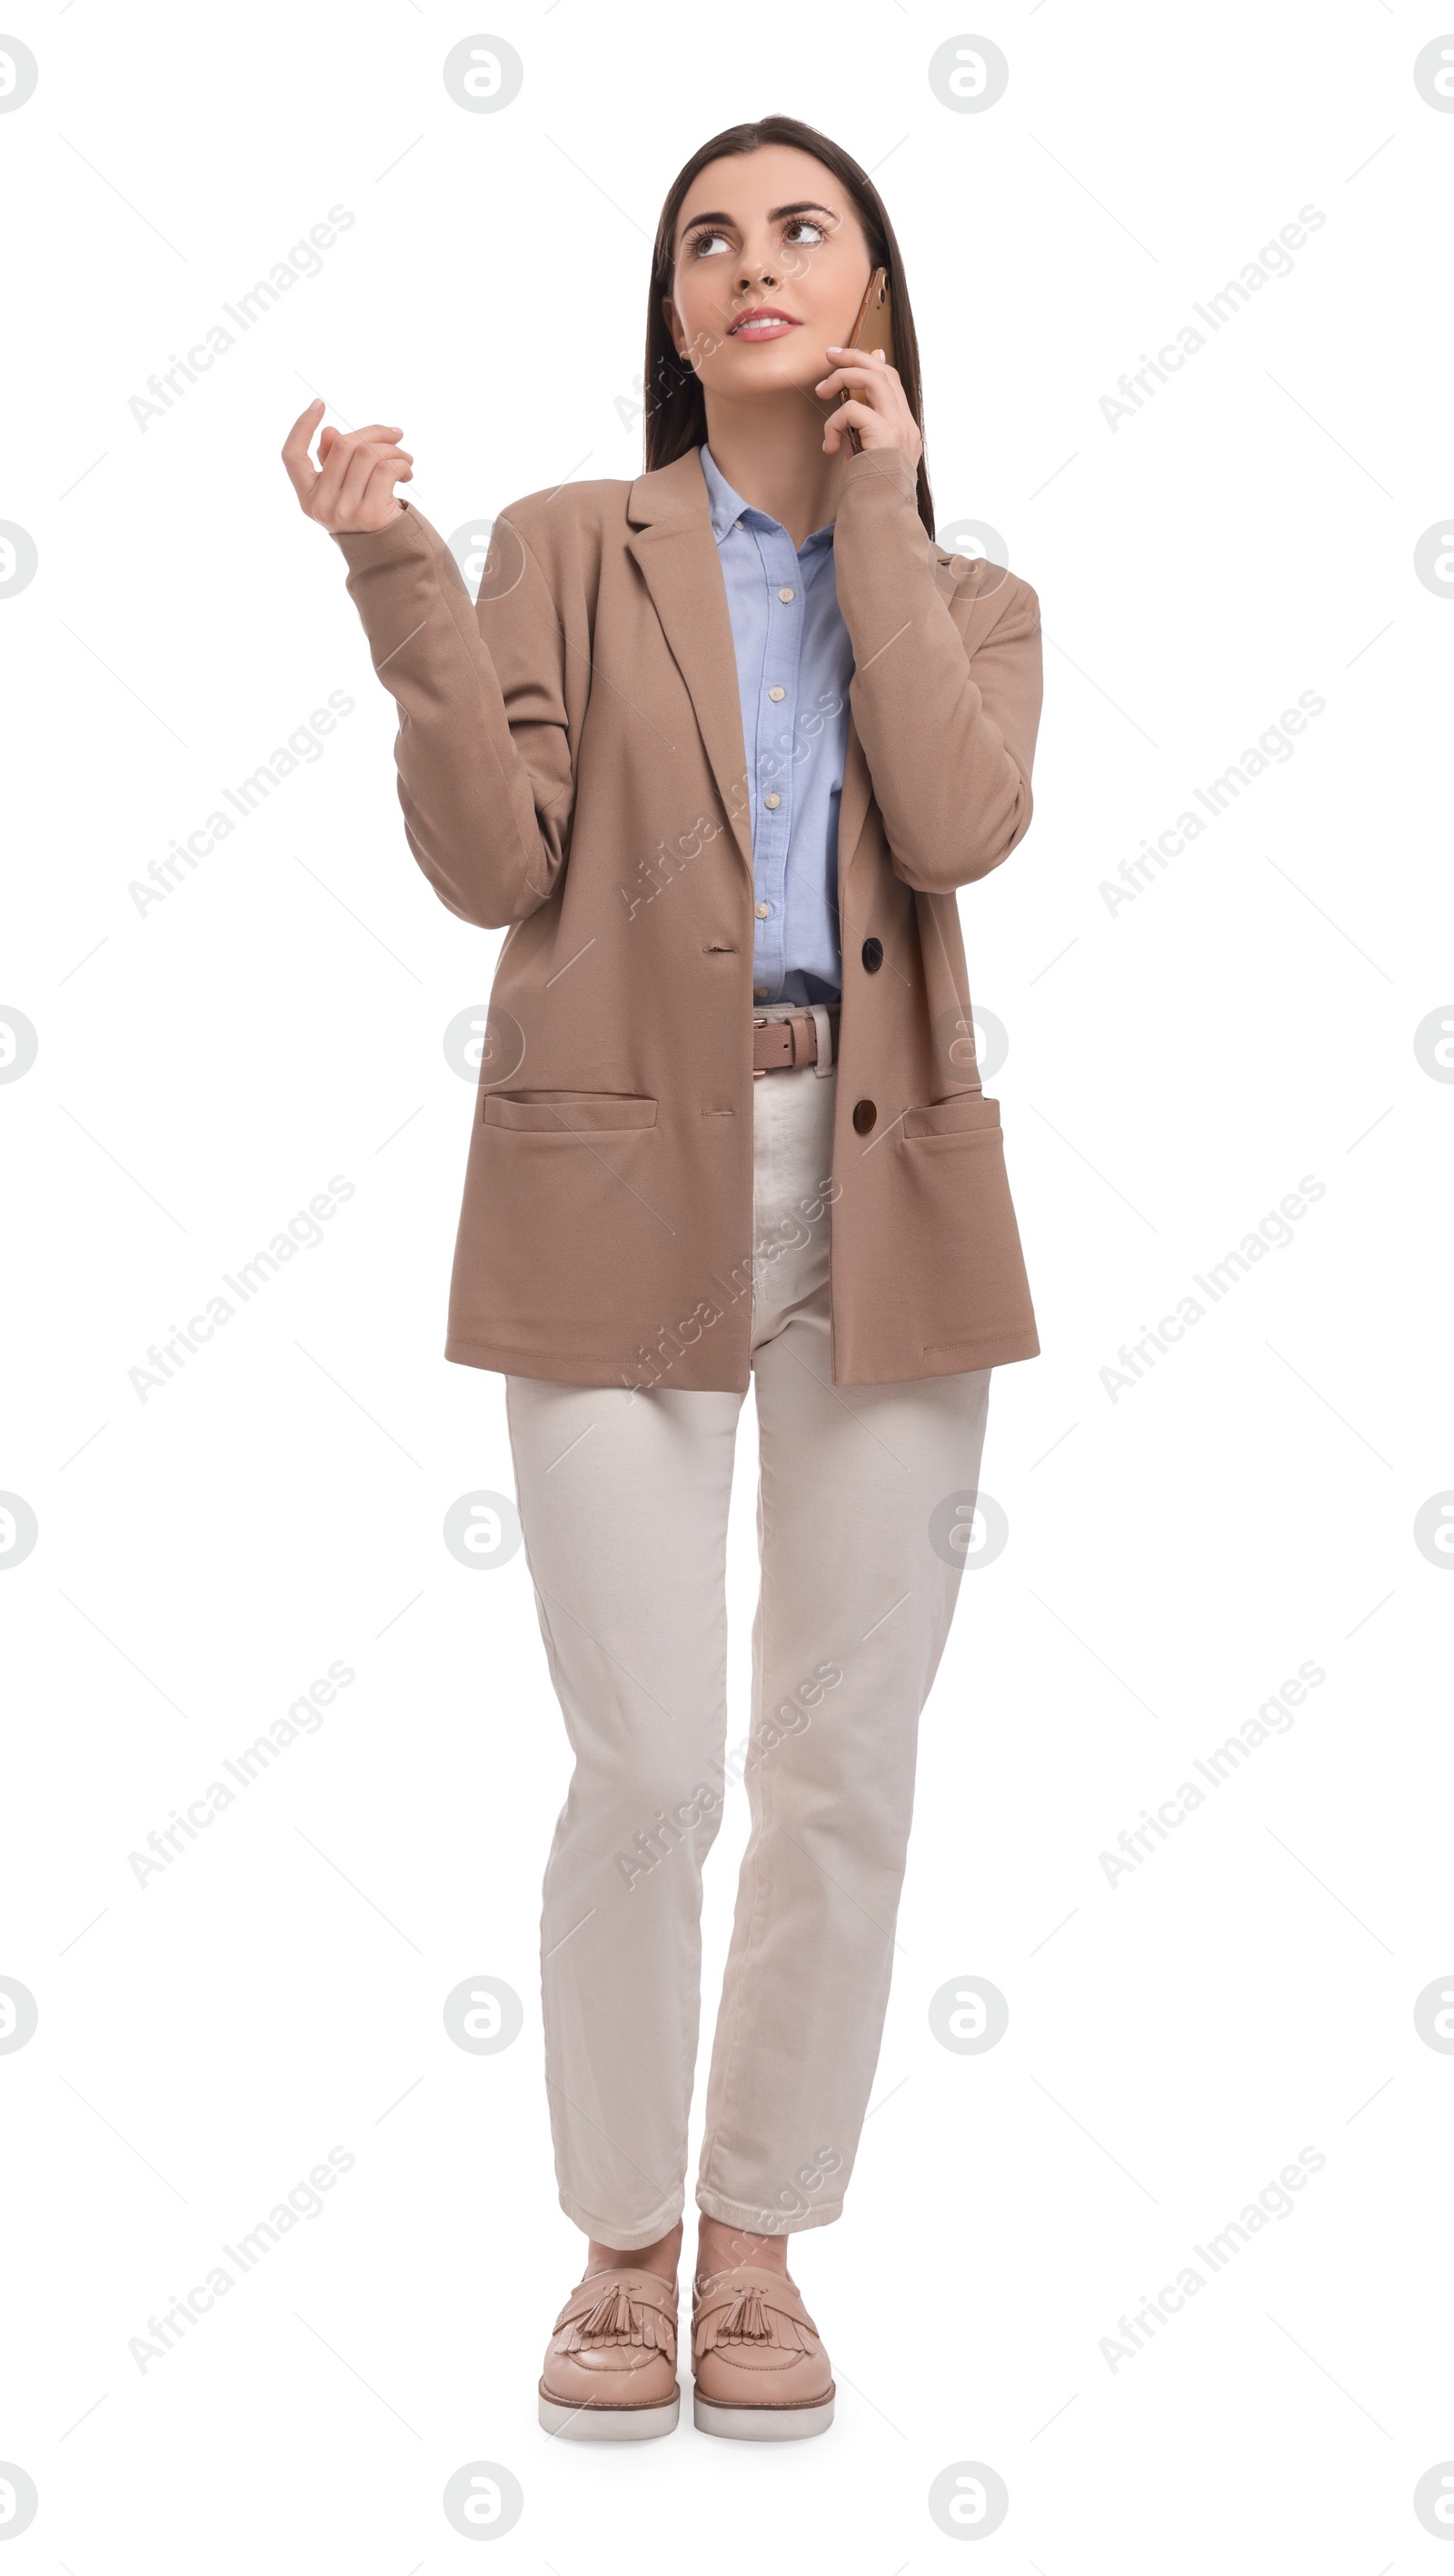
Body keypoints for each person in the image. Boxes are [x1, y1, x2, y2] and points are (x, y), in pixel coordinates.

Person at [283, 112, 1042, 2444]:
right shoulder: (556, 549)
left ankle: (760, 2245)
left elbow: (950, 823)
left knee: (843, 1755)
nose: (750, 264)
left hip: (883, 1182)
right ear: (671, 302)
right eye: (706, 236)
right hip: (617, 1169)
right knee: (647, 1754)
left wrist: (882, 510)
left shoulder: (977, 595)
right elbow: (488, 854)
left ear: (871, 301)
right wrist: (400, 573)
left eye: (800, 229)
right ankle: (621, 2238)